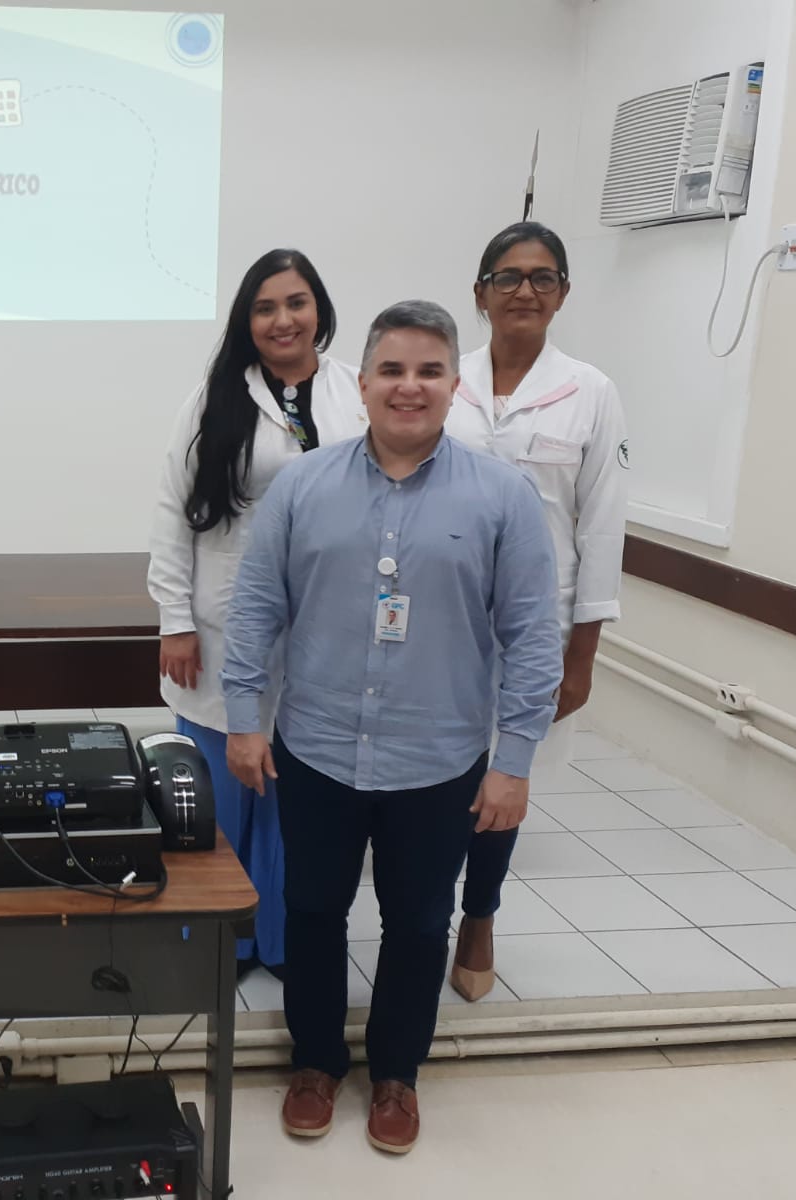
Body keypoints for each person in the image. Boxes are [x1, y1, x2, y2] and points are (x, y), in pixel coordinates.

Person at [222, 301, 562, 1154]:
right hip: (319, 746)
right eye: (392, 370)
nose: (410, 387)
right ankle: (313, 1062)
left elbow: (531, 638)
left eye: (430, 371)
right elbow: (257, 609)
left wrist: (512, 760)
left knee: (417, 923)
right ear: (362, 382)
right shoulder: (302, 485)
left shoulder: (502, 497)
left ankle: (398, 1074)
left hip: (439, 758)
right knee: (312, 911)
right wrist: (242, 721)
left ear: (456, 384)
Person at [147, 249, 366, 978]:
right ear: (248, 320)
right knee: (218, 798)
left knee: (295, 799)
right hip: (223, 628)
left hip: (324, 630)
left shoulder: (355, 394)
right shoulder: (214, 398)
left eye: (297, 303)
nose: (283, 320)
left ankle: (278, 942)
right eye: (266, 307)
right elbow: (173, 514)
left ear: (320, 311)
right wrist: (174, 619)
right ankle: (219, 939)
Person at [445, 222, 629, 1002]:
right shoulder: (439, 380)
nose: (525, 290)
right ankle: (420, 909)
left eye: (543, 277)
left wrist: (581, 656)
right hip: (434, 623)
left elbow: (602, 526)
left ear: (562, 294)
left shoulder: (590, 393)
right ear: (479, 292)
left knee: (503, 779)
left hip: (534, 629)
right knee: (434, 779)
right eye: (509, 276)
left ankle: (478, 915)